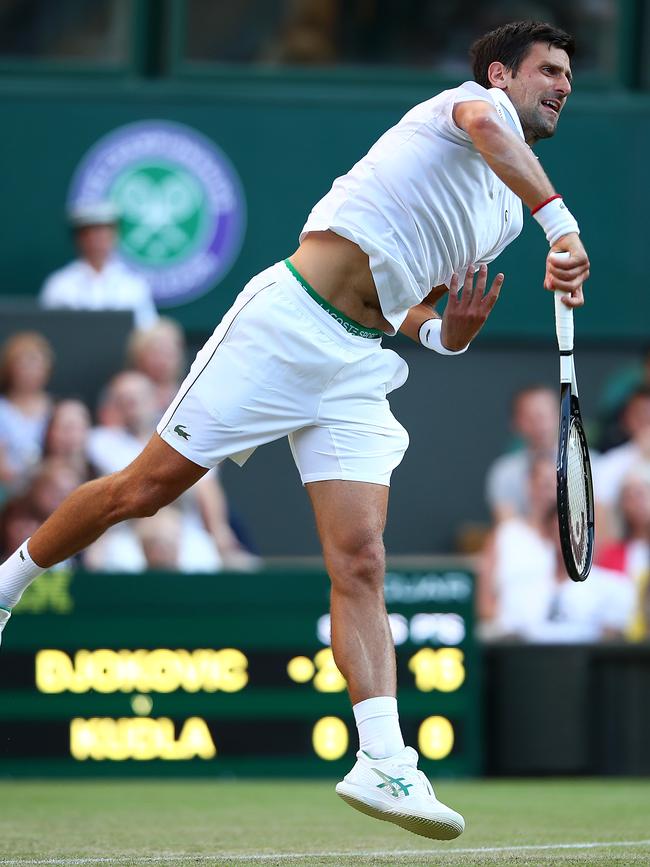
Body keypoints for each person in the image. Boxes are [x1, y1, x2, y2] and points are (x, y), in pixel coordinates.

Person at [0, 21, 589, 840]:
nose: (564, 84)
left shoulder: (504, 219)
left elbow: (412, 301)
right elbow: (492, 131)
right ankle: (9, 583)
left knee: (361, 558)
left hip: (357, 363)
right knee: (146, 488)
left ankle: (383, 761)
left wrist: (443, 336)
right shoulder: (468, 108)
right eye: (549, 70)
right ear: (501, 74)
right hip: (287, 324)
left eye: (570, 74)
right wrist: (564, 224)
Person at [479, 456, 634, 642]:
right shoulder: (506, 535)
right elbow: (485, 603)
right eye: (542, 483)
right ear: (529, 485)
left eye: (555, 483)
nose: (548, 491)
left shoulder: (605, 578)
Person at [39, 201, 158, 331]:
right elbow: (48, 332)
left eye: (103, 232)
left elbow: (147, 332)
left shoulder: (133, 285)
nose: (97, 240)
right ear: (79, 238)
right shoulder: (59, 284)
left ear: (115, 235)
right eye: (90, 233)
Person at [484, 384, 559, 521]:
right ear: (516, 422)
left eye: (544, 415)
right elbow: (508, 528)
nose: (539, 424)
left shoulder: (588, 464)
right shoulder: (504, 472)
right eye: (530, 417)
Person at [0, 332, 55, 492]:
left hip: (51, 487)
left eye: (36, 364)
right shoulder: (2, 409)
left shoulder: (56, 408)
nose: (30, 371)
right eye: (24, 364)